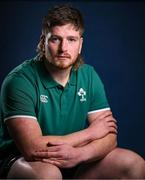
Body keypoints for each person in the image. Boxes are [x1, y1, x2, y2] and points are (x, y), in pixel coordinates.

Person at [0, 5, 145, 179]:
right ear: (42, 42)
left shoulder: (89, 75)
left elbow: (110, 137)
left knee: (134, 164)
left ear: (80, 44)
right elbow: (33, 149)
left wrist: (80, 154)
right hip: (21, 161)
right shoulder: (19, 80)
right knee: (48, 175)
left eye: (71, 39)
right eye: (55, 39)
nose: (63, 48)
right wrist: (90, 133)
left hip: (74, 159)